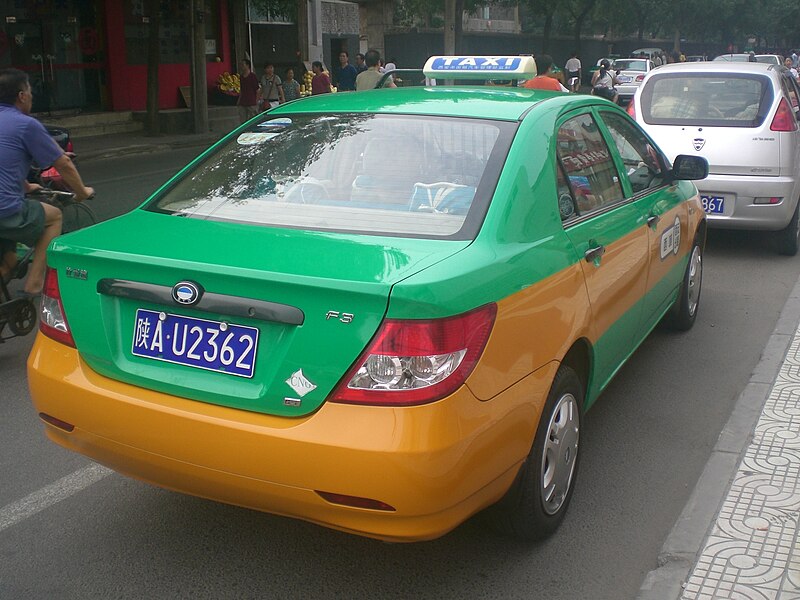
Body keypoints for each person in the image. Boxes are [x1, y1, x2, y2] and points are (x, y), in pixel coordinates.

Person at [0, 68, 93, 295]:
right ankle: (35, 282)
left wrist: (26, 186)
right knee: (54, 217)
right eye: (30, 90)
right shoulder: (25, 124)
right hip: (4, 209)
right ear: (22, 95)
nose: (31, 95)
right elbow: (64, 164)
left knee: (8, 263)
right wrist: (81, 191)